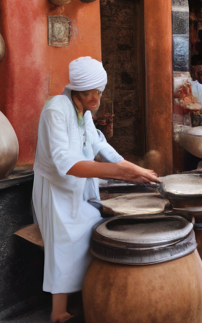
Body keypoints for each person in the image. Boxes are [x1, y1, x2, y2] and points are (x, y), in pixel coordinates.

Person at [32, 57, 158, 323]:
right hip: (56, 190)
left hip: (81, 187)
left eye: (98, 92)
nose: (95, 98)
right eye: (89, 93)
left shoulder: (84, 113)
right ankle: (58, 312)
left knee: (86, 238)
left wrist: (137, 169)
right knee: (63, 246)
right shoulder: (56, 109)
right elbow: (65, 163)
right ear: (75, 89)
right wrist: (121, 173)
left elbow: (101, 147)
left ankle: (84, 297)